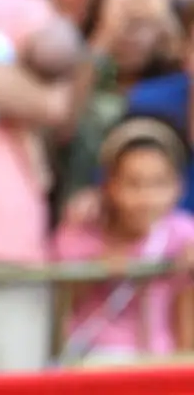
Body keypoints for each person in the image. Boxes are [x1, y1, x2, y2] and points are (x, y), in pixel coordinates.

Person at [54, 116, 194, 366]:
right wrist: (96, 270)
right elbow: (58, 302)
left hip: (161, 363)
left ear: (178, 186)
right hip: (92, 363)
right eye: (133, 183)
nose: (146, 197)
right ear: (109, 185)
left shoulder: (184, 233)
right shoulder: (79, 233)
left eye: (159, 183)